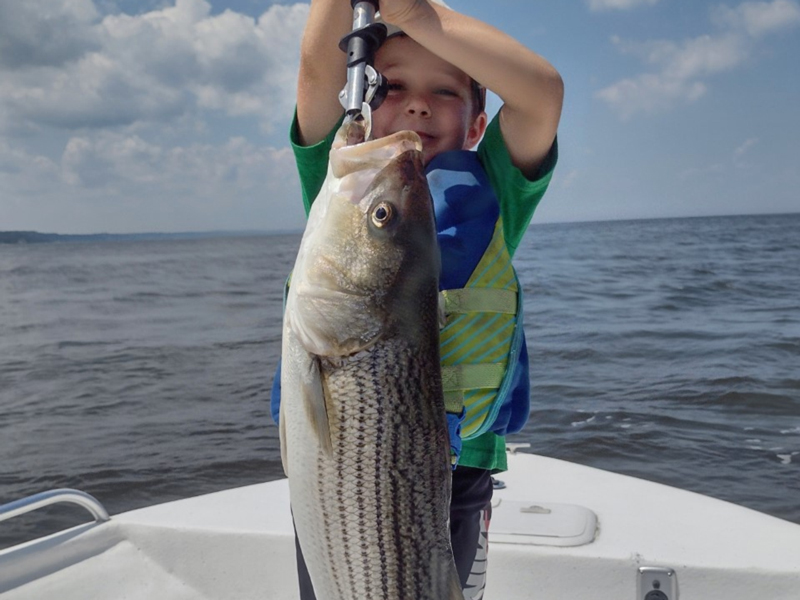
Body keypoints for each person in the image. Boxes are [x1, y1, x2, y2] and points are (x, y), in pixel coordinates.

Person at [272, 0, 563, 597]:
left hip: (462, 479)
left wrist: (418, 14)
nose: (418, 103)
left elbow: (541, 94)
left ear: (477, 127)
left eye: (447, 91)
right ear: (360, 97)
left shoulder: (498, 194)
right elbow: (316, 71)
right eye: (392, 85)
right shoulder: (348, 184)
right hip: (342, 491)